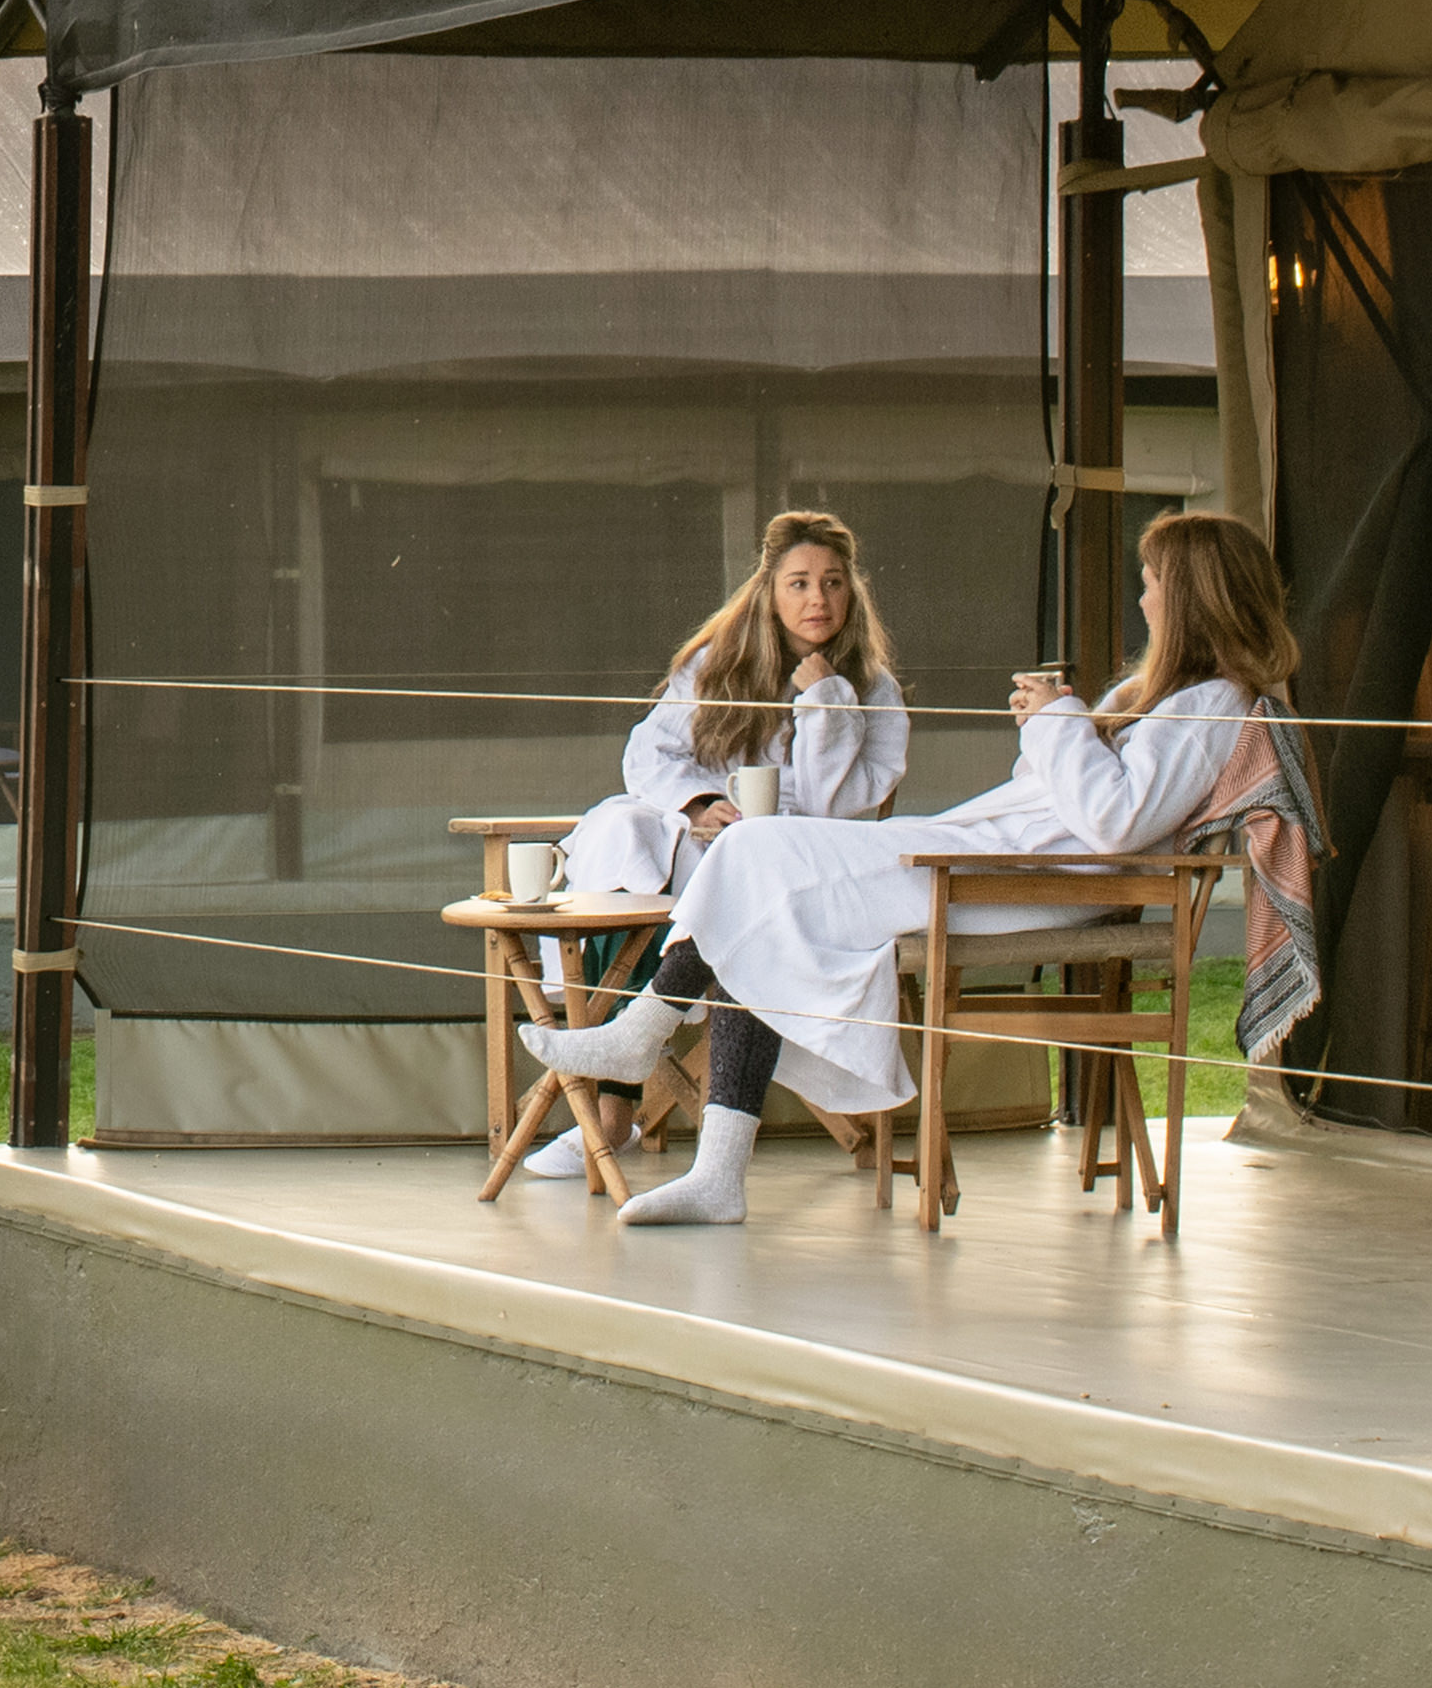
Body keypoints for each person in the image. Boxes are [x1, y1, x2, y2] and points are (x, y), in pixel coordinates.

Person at [529, 502, 1316, 1231]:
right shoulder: (1179, 697)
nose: (1142, 600)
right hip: (996, 858)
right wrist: (1055, 726)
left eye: (1151, 583)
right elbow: (1093, 795)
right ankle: (708, 1158)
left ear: (1190, 596)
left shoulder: (1210, 707)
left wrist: (1059, 719)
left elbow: (1115, 821)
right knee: (759, 895)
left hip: (1016, 878)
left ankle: (647, 1045)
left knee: (754, 855)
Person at [517, 515, 904, 1183]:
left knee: (737, 896)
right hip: (701, 842)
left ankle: (621, 1087)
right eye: (801, 583)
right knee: (620, 834)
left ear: (853, 593)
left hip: (798, 867)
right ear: (768, 591)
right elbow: (649, 749)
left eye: (833, 583)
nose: (819, 599)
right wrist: (697, 802)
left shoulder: (872, 689)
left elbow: (838, 805)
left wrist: (826, 702)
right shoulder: (717, 663)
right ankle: (613, 1104)